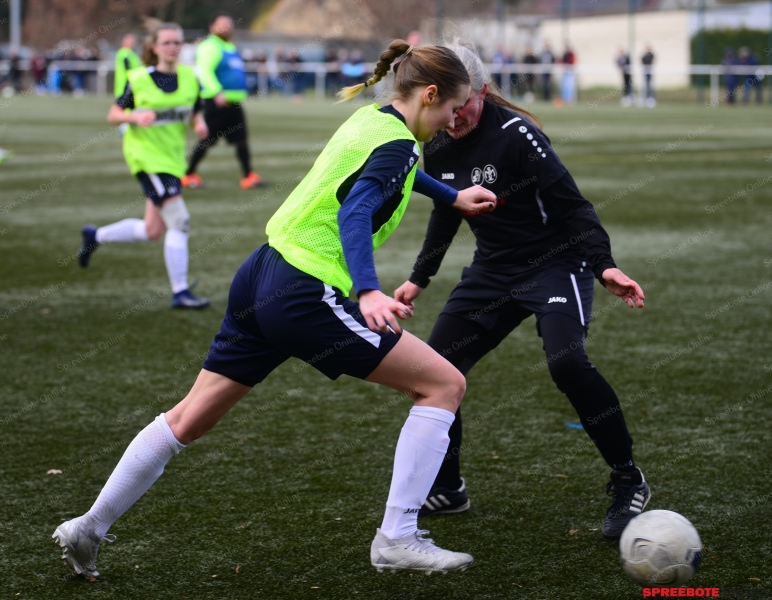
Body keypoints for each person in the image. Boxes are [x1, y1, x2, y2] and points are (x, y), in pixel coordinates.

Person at [53, 39, 498, 579]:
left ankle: (89, 526)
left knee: (187, 419)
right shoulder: (402, 145)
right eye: (452, 108)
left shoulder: (371, 122)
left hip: (260, 273)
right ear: (430, 94)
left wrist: (450, 197)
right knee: (444, 385)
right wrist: (367, 291)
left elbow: (380, 172)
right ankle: (397, 537)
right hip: (305, 292)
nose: (453, 120)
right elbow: (356, 212)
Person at [394, 44, 650, 540]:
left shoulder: (519, 135)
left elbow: (575, 207)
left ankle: (628, 478)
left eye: (463, 106)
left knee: (568, 364)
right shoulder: (440, 136)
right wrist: (418, 278)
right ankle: (448, 488)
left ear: (481, 92)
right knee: (433, 368)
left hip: (555, 264)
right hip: (492, 271)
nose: (454, 118)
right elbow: (447, 210)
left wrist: (605, 267)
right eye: (448, 107)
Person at [76, 23, 211, 309]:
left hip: (173, 159)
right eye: (167, 43)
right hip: (146, 156)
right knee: (179, 220)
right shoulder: (139, 78)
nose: (173, 47)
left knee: (152, 231)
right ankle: (181, 292)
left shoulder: (189, 77)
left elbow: (195, 110)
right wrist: (134, 118)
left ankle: (95, 236)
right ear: (154, 47)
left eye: (177, 42)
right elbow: (113, 114)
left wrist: (199, 125)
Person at [182, 13, 265, 190]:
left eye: (229, 25)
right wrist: (217, 92)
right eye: (222, 25)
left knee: (241, 140)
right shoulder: (210, 46)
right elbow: (205, 71)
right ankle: (188, 174)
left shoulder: (228, 46)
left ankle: (248, 175)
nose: (227, 28)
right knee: (207, 140)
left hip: (234, 104)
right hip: (217, 103)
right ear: (212, 27)